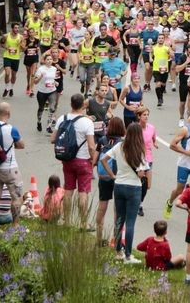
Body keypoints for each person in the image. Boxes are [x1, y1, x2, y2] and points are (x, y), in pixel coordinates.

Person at [101, 121, 151, 264]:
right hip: (133, 187)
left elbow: (104, 159)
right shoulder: (139, 150)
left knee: (119, 219)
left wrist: (112, 175)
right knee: (130, 222)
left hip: (119, 185)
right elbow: (141, 173)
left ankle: (118, 251)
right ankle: (128, 255)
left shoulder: (119, 146)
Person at [52, 93, 97, 221]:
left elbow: (53, 139)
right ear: (83, 105)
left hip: (67, 160)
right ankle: (83, 222)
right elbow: (91, 146)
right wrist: (93, 160)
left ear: (71, 104)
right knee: (83, 192)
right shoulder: (87, 122)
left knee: (68, 190)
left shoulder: (62, 119)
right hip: (83, 160)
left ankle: (67, 220)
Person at [0, 102, 25, 235]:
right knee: (16, 197)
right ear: (9, 113)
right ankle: (15, 224)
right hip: (10, 168)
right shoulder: (11, 129)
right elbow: (21, 145)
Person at [95, 117, 125, 244]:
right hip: (117, 177)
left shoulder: (102, 140)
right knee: (117, 209)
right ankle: (115, 239)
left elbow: (95, 159)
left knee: (102, 206)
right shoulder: (122, 143)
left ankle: (99, 238)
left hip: (104, 177)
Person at [0, 22, 23, 98]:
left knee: (13, 75)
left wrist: (20, 44)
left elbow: (23, 48)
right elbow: (1, 43)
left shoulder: (21, 37)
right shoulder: (6, 36)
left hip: (16, 58)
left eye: (18, 28)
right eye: (15, 28)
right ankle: (7, 87)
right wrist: (6, 47)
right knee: (7, 73)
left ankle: (11, 88)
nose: (17, 29)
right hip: (7, 56)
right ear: (12, 28)